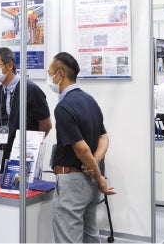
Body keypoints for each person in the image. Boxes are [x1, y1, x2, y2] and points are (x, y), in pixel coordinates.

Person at [48, 52, 116, 243]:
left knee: (68, 238)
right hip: (90, 182)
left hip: (72, 182)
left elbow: (82, 149)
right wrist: (96, 163)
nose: (49, 78)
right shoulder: (90, 100)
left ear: (60, 73)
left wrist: (99, 177)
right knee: (90, 235)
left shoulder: (63, 107)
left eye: (50, 73)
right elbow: (104, 137)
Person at [0, 47, 52, 165]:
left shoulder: (31, 90)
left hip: (25, 154)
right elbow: (1, 124)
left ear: (9, 65)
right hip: (2, 152)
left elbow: (46, 124)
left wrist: (32, 145)